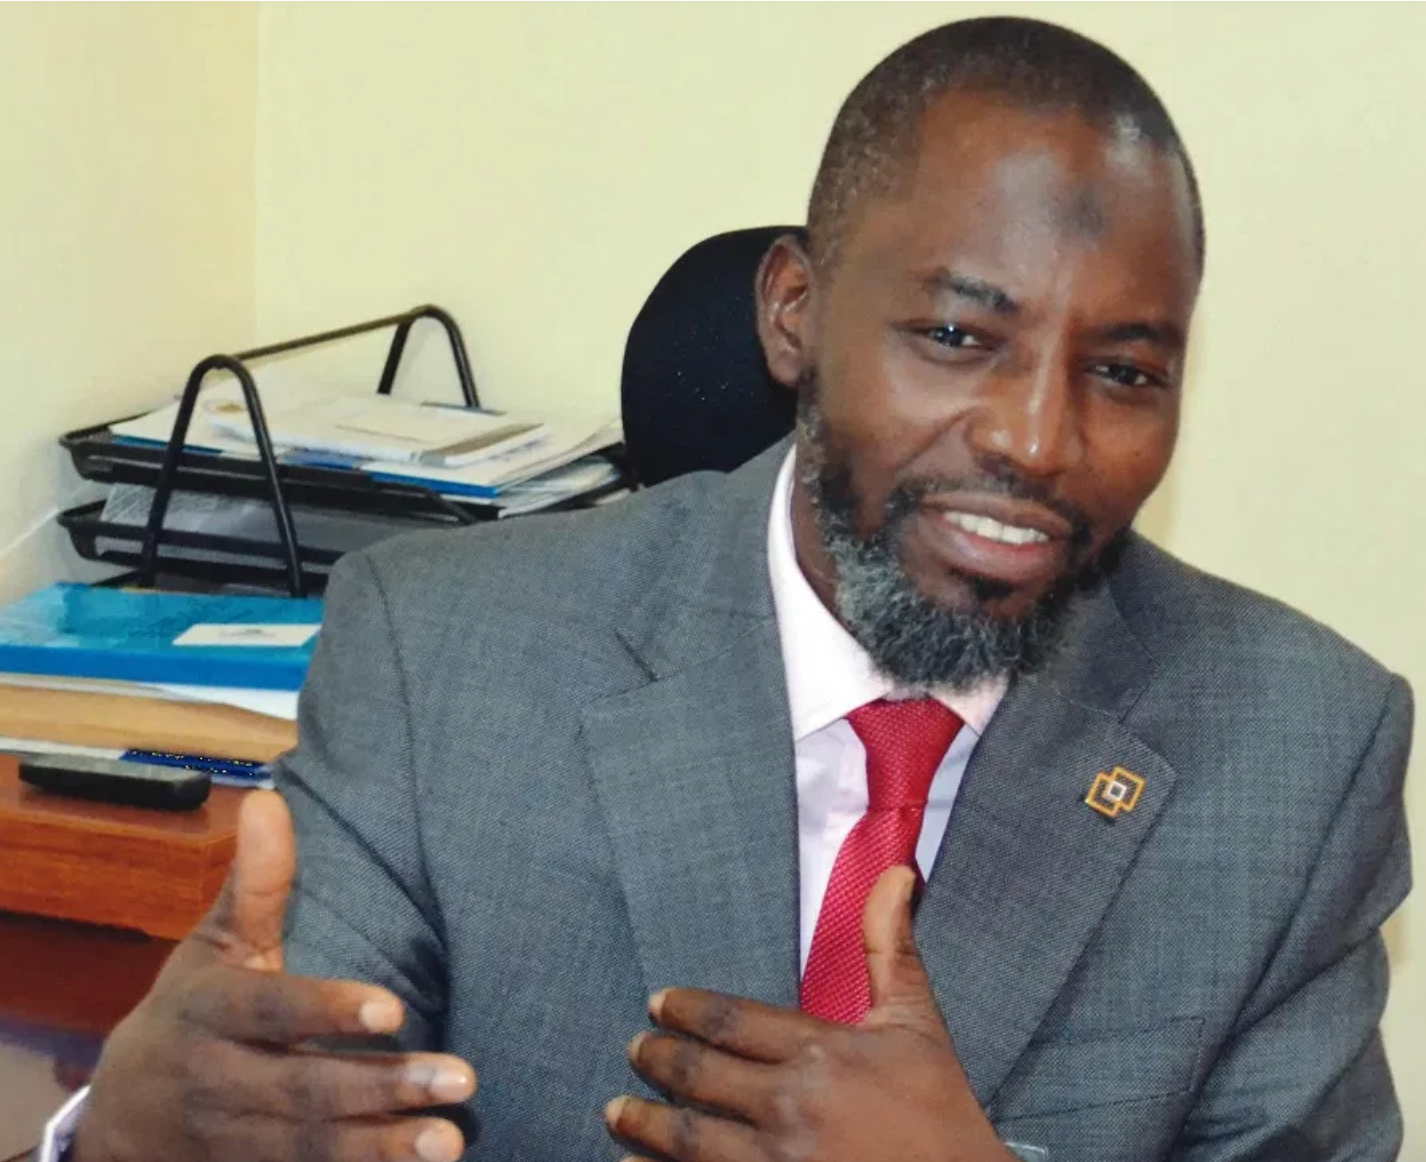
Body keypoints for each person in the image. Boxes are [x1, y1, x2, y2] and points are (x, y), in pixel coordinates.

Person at [51, 16, 1411, 1162]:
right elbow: (278, 1099)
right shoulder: (444, 657)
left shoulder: (1294, 752)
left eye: (1122, 371)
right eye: (956, 334)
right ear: (794, 312)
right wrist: (108, 1137)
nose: (1038, 440)